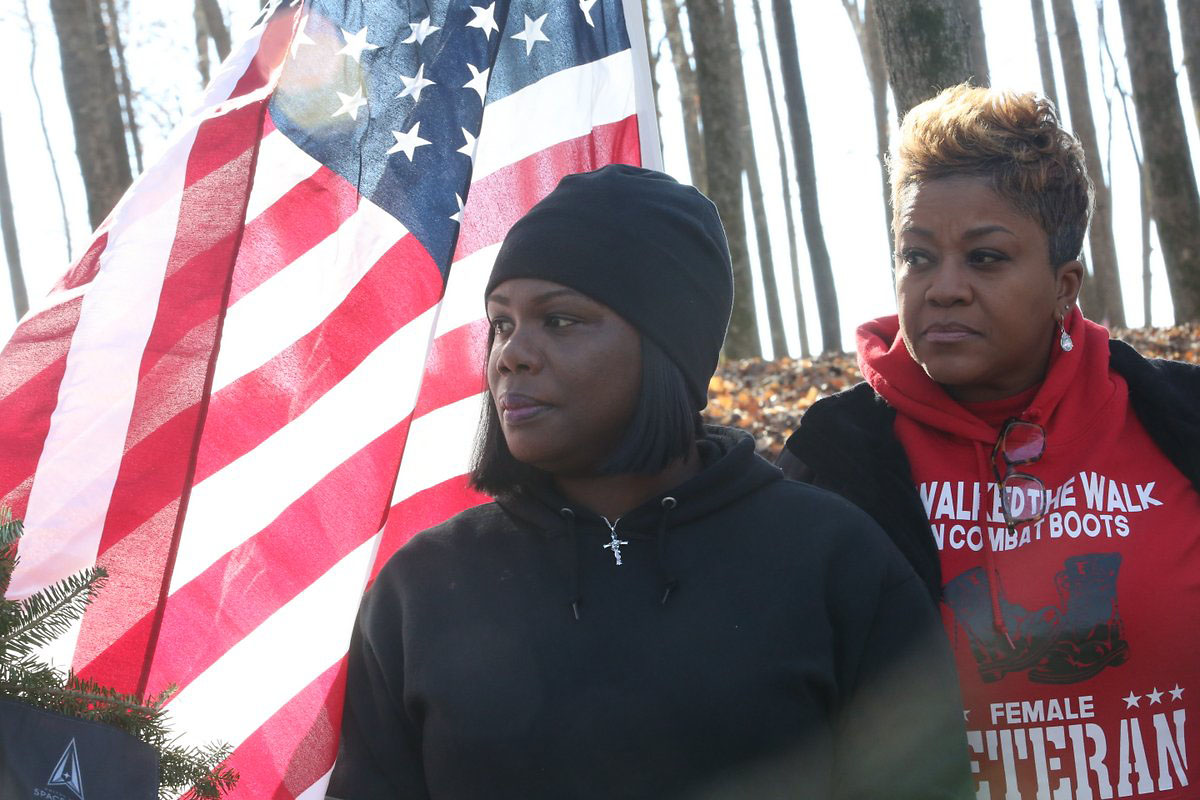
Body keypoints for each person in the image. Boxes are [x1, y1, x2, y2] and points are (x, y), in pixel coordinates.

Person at [328, 165, 970, 799]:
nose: (510, 354)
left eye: (558, 320)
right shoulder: (421, 590)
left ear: (668, 346)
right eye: (501, 323)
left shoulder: (835, 560)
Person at [780, 84, 1200, 800]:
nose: (943, 288)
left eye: (985, 259)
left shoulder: (1181, 419)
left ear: (1064, 284)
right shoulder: (828, 463)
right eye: (917, 257)